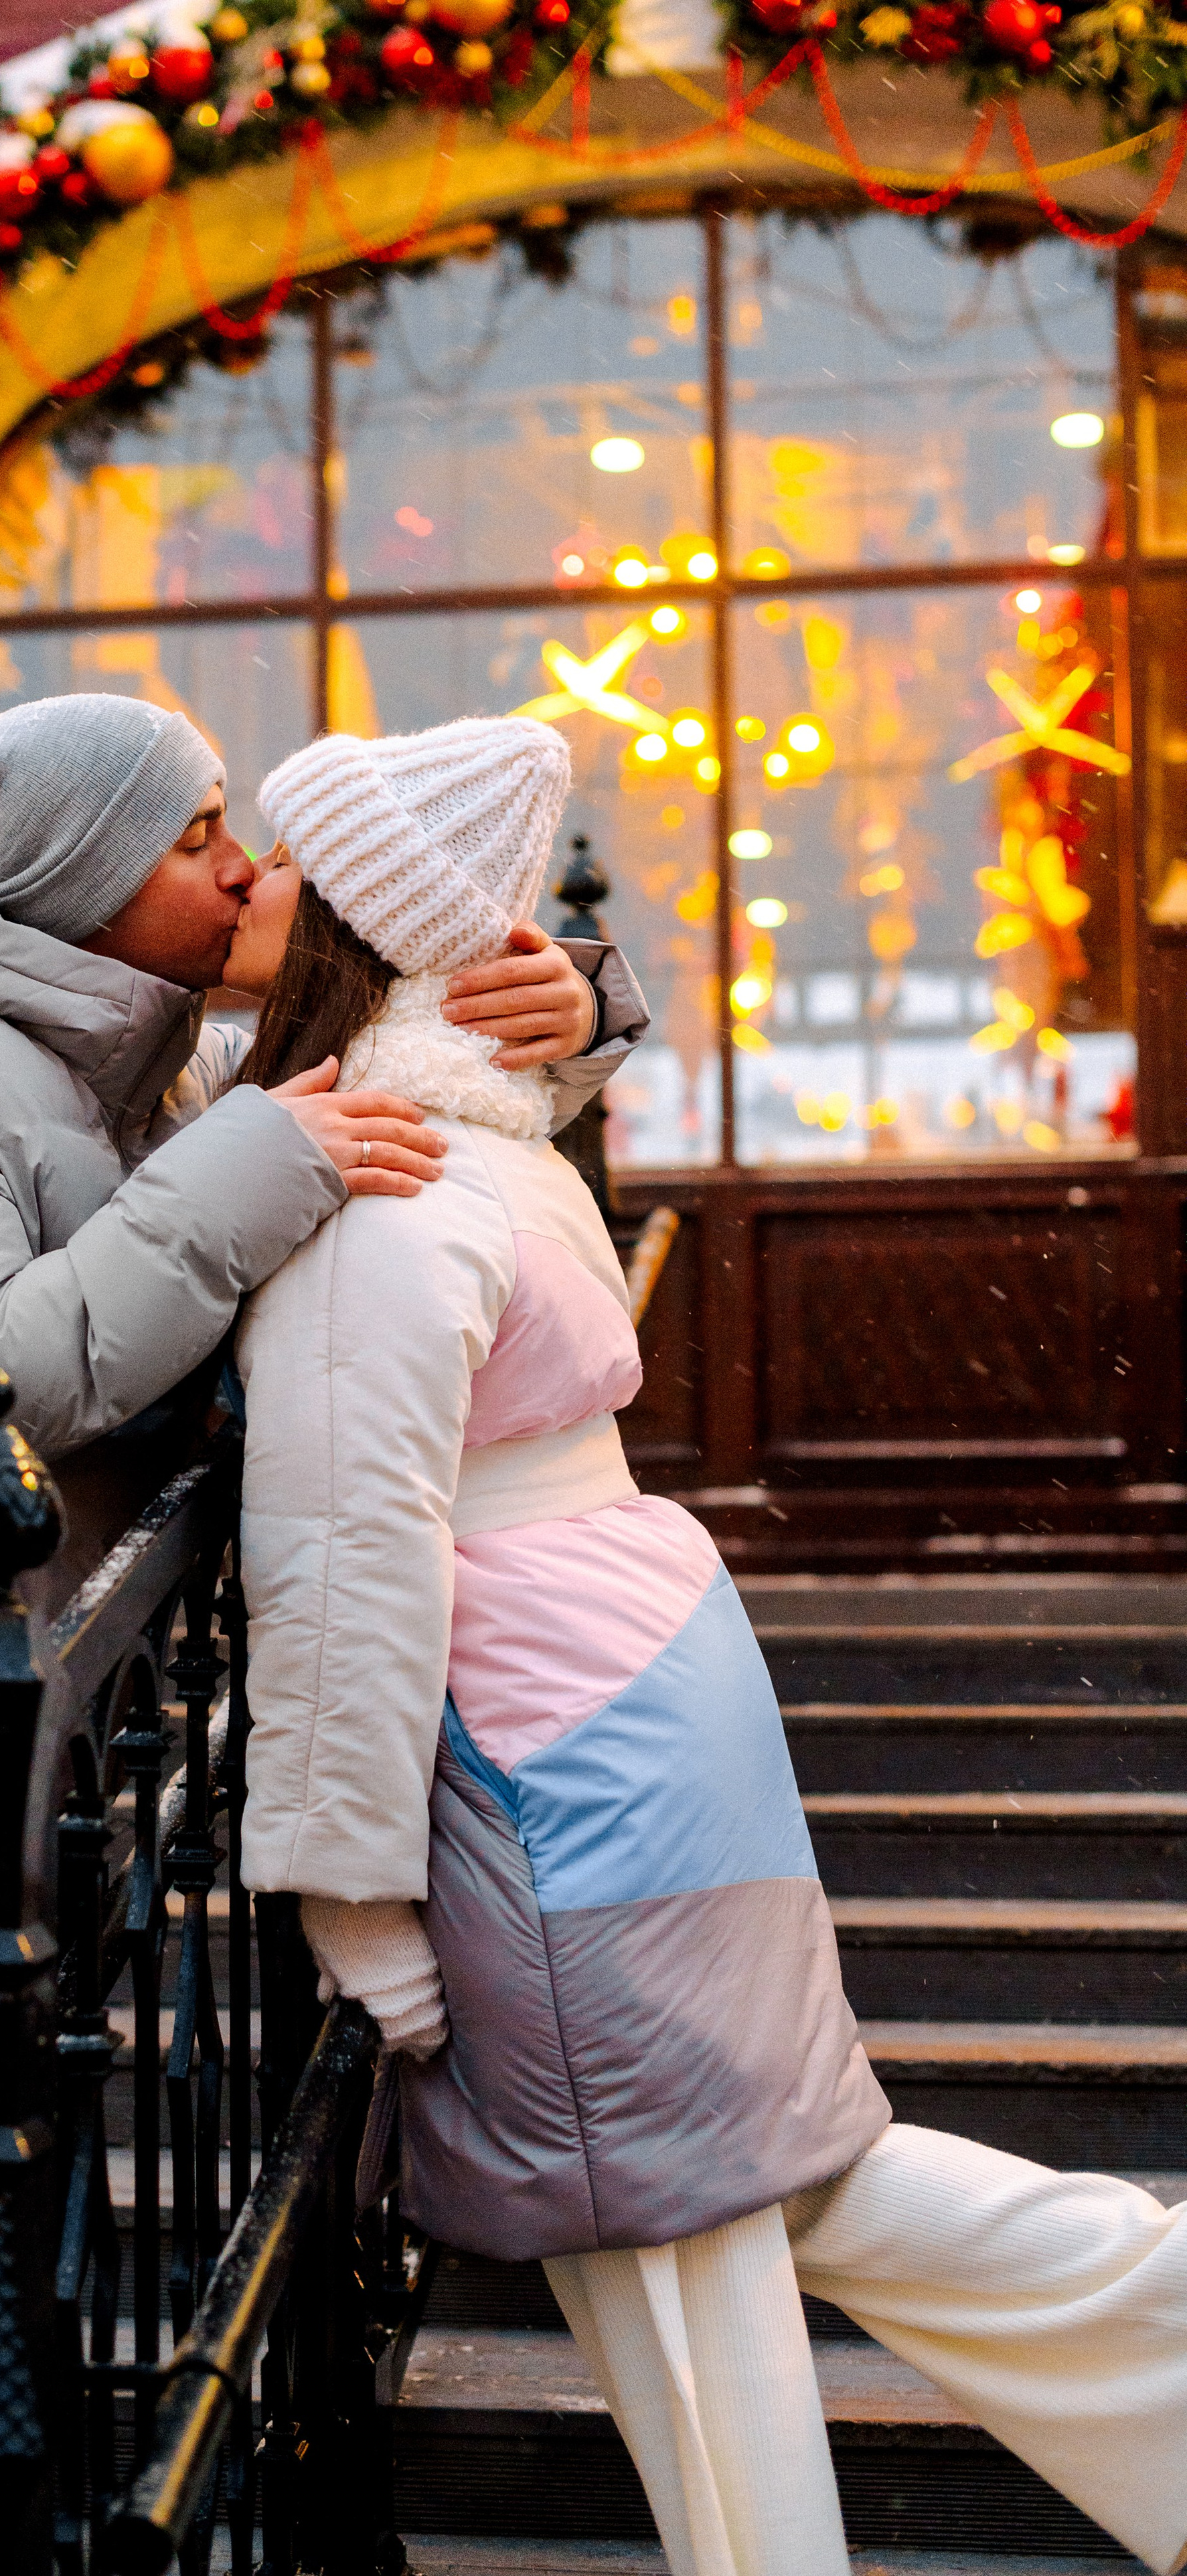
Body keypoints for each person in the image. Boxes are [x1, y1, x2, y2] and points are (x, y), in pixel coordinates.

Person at [224, 713, 1187, 2576]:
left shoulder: (389, 1198)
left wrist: (348, 1896)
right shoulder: (500, 1151)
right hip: (643, 1684)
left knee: (664, 2232)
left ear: (357, 915)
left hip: (540, 1742)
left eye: (277, 854)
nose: (249, 879)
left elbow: (348, 1567)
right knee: (766, 2173)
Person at [0, 691, 649, 2500]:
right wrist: (255, 1165)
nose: (244, 866)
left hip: (3, 1742)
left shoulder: (121, 1059)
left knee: (5, 2229)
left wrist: (586, 1003)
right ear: (86, 876)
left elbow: (388, 1058)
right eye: (200, 834)